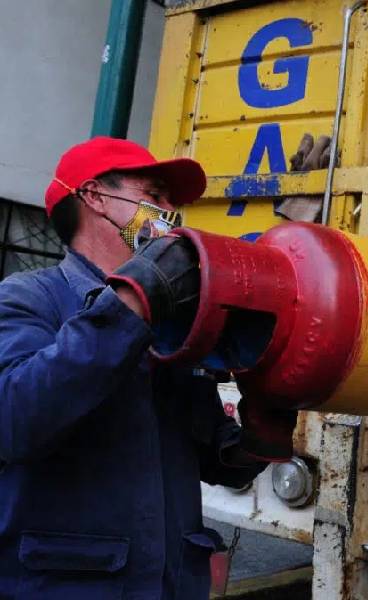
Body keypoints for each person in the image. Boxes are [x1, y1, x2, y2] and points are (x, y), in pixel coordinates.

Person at [0, 137, 268, 599]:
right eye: (155, 196)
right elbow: (15, 419)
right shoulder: (29, 298)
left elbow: (220, 461)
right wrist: (133, 302)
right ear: (95, 198)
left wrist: (266, 423)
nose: (170, 214)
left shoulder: (173, 323)